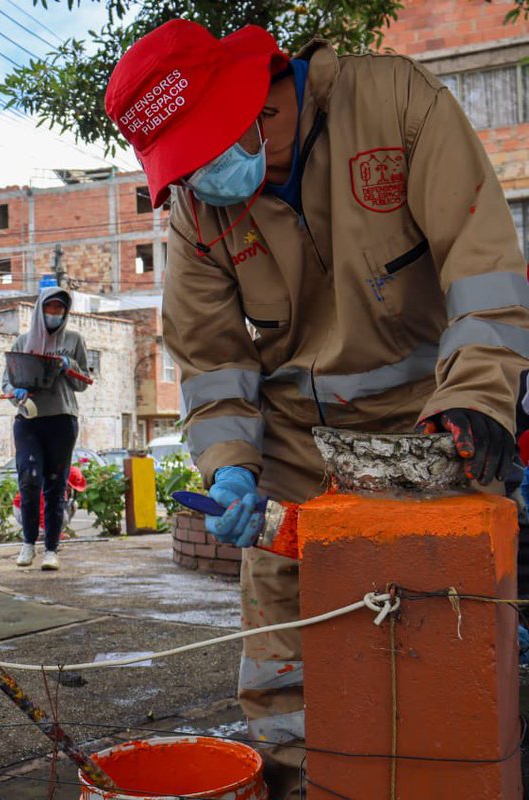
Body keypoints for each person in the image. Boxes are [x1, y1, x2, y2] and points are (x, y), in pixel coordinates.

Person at [104, 20, 529, 797]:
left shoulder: (396, 106)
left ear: (254, 105)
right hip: (298, 462)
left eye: (203, 155)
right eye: (184, 168)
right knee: (282, 675)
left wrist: (478, 398)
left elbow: (483, 262)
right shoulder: (200, 214)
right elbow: (212, 360)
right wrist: (231, 470)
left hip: (433, 438)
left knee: (455, 648)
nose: (201, 183)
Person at [1, 287, 89, 570]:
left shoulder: (74, 340)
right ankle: (28, 544)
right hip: (29, 419)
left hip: (62, 419)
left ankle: (52, 549)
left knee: (56, 484)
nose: (54, 314)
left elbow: (84, 381)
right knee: (29, 479)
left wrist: (69, 365)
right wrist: (15, 392)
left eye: (60, 309)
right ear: (40, 309)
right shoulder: (23, 342)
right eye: (49, 308)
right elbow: (7, 381)